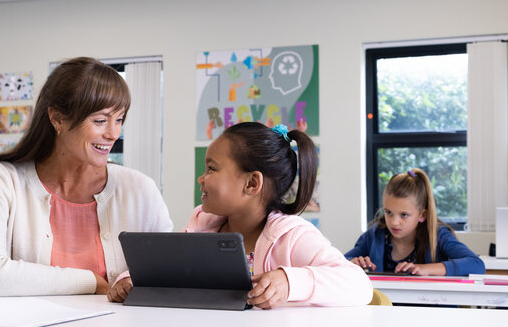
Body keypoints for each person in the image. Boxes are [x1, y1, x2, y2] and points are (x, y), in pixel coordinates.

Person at [0, 57, 173, 297]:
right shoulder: (2, 180)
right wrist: (92, 282)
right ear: (57, 119)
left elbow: (167, 274)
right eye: (100, 120)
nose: (113, 133)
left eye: (119, 119)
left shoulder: (140, 189)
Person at [107, 123, 372, 308]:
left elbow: (359, 285)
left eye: (212, 169)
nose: (201, 178)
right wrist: (129, 280)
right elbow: (167, 270)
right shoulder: (202, 224)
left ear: (251, 184)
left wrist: (290, 281)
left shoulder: (292, 235)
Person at [345, 168, 485, 276]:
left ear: (422, 215)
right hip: (385, 310)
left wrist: (426, 269)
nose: (394, 222)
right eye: (388, 212)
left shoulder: (439, 235)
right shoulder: (374, 235)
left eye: (404, 215)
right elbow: (338, 262)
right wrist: (353, 263)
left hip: (431, 311)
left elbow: (476, 264)